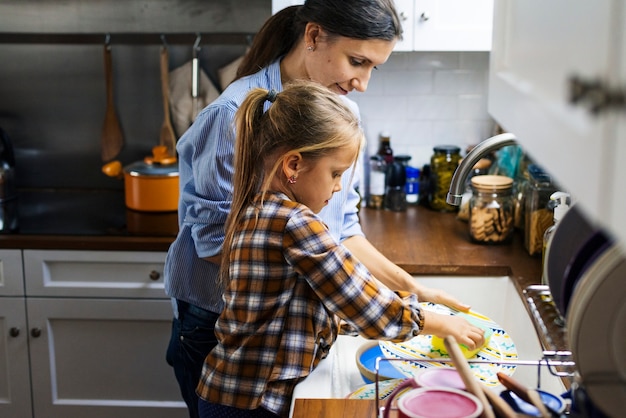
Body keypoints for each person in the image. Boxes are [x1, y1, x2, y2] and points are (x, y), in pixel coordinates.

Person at [164, 1, 472, 416]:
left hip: (286, 333)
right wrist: (346, 293)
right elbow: (217, 244)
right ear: (312, 37)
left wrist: (410, 288)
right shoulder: (230, 117)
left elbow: (343, 229)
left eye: (373, 68)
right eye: (357, 61)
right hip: (219, 329)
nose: (362, 82)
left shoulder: (341, 116)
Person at [196, 80, 485, 418]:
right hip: (251, 404)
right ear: (293, 166)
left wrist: (409, 307)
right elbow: (363, 302)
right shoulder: (294, 223)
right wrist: (438, 323)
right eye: (335, 174)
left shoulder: (259, 208)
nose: (337, 188)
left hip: (231, 394)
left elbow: (312, 310)